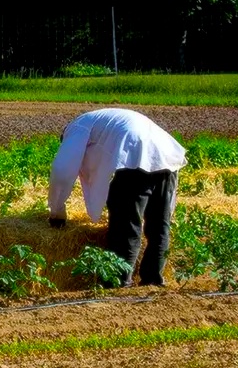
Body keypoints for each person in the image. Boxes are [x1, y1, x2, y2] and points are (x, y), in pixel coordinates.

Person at [48, 107, 186, 287]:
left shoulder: (76, 128)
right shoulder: (97, 120)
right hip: (167, 156)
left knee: (126, 225)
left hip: (135, 155)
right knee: (159, 225)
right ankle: (153, 280)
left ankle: (119, 283)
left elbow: (62, 171)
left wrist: (56, 212)